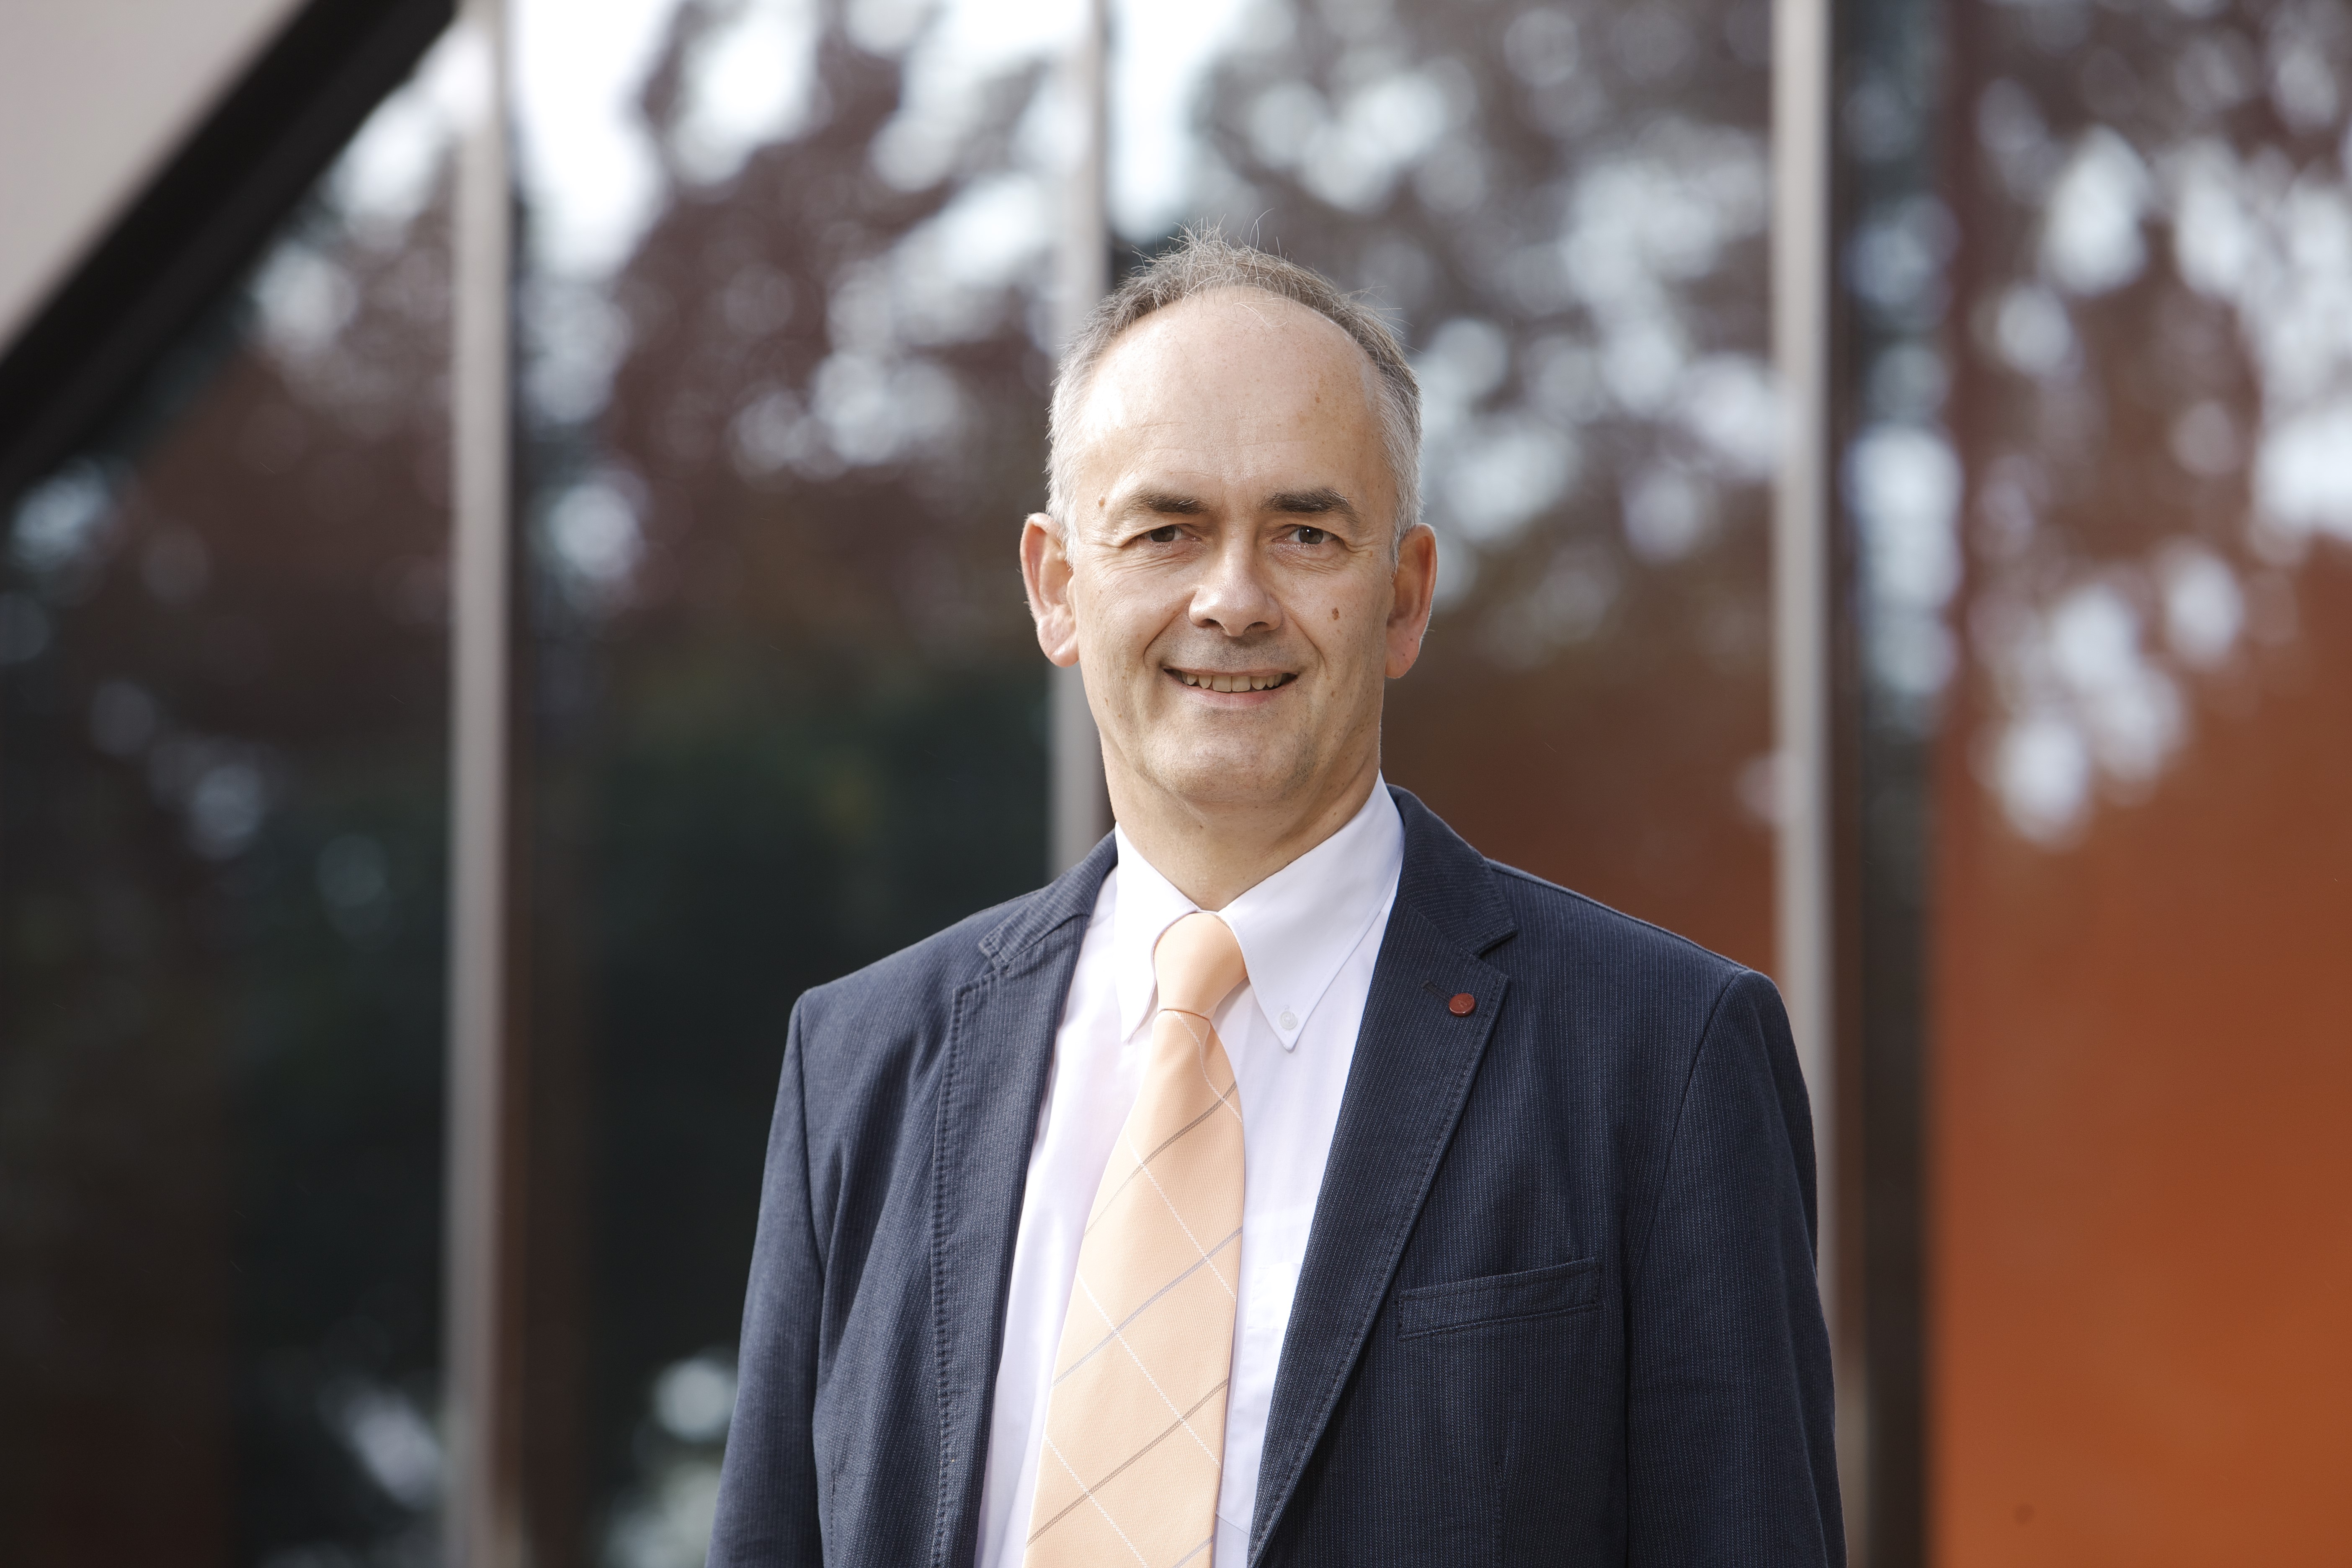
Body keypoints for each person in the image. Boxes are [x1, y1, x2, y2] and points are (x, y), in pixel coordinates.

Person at [709, 233, 1840, 1567]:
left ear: (1404, 598)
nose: (1234, 599)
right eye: (1166, 531)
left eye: (1305, 533)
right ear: (1058, 588)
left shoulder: (1664, 1055)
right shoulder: (863, 1063)